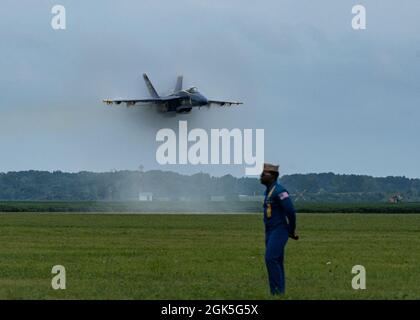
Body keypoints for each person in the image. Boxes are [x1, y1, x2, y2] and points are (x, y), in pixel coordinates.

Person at [260, 163, 298, 295]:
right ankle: (278, 294)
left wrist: (291, 230)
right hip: (269, 231)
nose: (261, 176)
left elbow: (290, 211)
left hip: (279, 229)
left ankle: (276, 292)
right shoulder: (268, 191)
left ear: (273, 176)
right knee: (277, 260)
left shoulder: (280, 191)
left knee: (271, 258)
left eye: (264, 174)